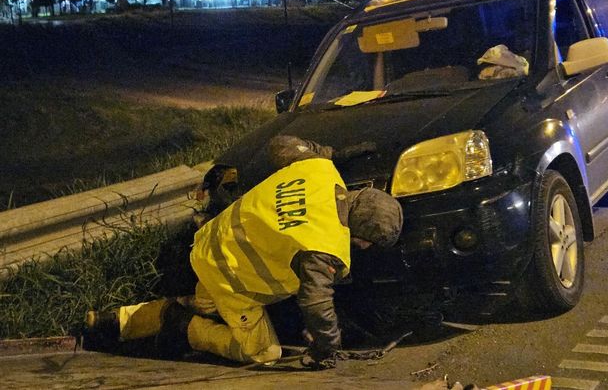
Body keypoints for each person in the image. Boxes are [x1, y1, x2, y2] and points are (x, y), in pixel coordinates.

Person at [85, 135, 403, 370]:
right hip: (232, 278)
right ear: (361, 233)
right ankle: (183, 326)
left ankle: (111, 322)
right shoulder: (325, 245)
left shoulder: (319, 171)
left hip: (208, 243)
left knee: (205, 303)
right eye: (367, 244)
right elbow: (315, 302)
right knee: (263, 353)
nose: (364, 250)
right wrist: (326, 348)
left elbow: (280, 144)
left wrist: (327, 153)